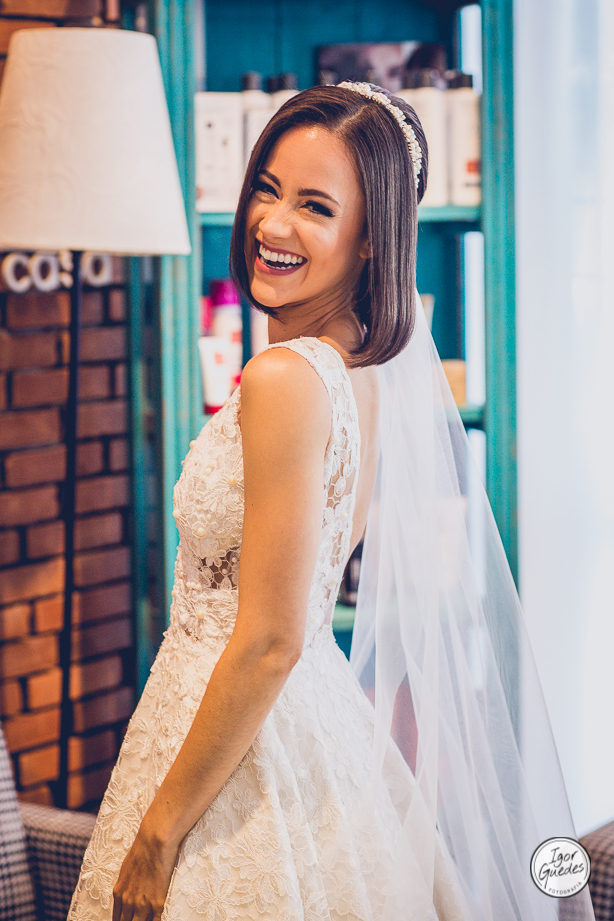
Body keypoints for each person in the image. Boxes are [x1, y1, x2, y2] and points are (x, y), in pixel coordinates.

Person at [67, 84, 595, 921]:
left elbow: (272, 639)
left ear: (371, 242)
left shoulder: (284, 377)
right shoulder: (365, 376)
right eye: (268, 189)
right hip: (311, 724)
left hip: (240, 732)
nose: (272, 225)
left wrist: (160, 834)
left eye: (315, 206)